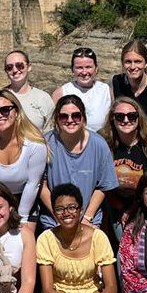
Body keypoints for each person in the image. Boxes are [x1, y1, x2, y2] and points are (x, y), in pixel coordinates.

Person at [37, 183, 126, 293]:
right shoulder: (46, 239)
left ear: (81, 210)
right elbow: (48, 289)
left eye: (72, 207)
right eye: (60, 209)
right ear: (54, 212)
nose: (66, 213)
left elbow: (111, 285)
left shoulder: (98, 236)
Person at [100, 97, 147, 242]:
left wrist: (136, 210)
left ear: (138, 118)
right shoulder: (106, 147)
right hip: (118, 208)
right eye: (120, 116)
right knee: (124, 251)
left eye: (132, 116)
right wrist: (122, 209)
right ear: (112, 120)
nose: (126, 120)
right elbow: (103, 184)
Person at [39, 95, 118, 230]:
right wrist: (59, 215)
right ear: (57, 120)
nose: (70, 120)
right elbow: (41, 184)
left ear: (83, 119)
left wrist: (87, 218)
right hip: (54, 219)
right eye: (64, 116)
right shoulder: (46, 143)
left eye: (75, 116)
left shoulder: (98, 145)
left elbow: (103, 185)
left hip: (88, 218)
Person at [0, 89, 47, 230]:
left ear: (17, 111)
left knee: (23, 242)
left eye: (5, 110)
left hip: (25, 201)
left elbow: (33, 184)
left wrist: (21, 217)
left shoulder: (35, 143)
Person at [52, 47, 111, 132]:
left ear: (96, 68)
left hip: (99, 142)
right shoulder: (61, 93)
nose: (84, 72)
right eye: (79, 68)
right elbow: (53, 124)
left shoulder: (106, 91)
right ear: (72, 69)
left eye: (88, 67)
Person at [4, 50, 54, 132]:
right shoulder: (0, 97)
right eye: (9, 67)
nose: (15, 70)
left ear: (29, 67)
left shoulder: (43, 98)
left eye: (19, 65)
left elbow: (51, 132)